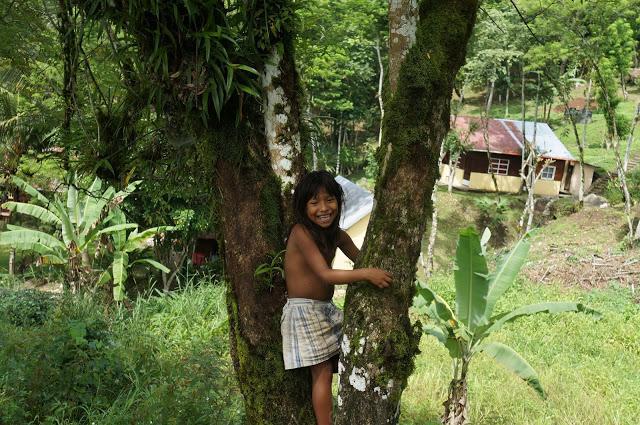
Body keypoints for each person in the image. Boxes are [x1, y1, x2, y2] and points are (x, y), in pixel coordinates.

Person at [281, 170, 392, 425]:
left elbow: (362, 258)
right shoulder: (301, 232)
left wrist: (376, 270)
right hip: (305, 312)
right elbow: (325, 274)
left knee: (353, 352)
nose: (324, 208)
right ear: (303, 207)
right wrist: (367, 274)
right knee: (321, 373)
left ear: (339, 202)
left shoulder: (337, 235)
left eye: (329, 200)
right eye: (314, 202)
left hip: (325, 310)